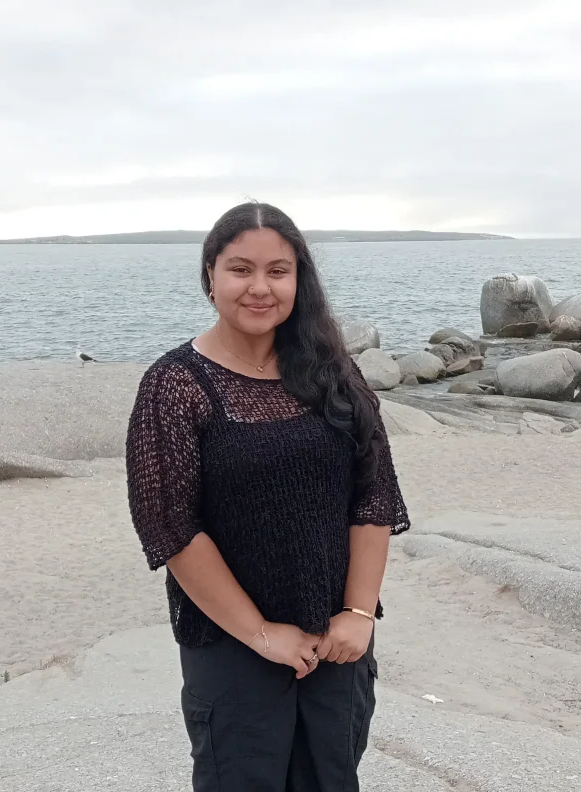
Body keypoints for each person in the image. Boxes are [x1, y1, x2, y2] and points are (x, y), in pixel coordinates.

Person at [125, 202, 410, 791]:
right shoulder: (176, 385)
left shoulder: (333, 373)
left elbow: (374, 494)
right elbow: (170, 526)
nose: (260, 287)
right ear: (210, 276)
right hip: (231, 644)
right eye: (241, 269)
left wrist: (358, 614)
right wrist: (260, 633)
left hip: (336, 640)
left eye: (278, 271)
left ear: (299, 279)